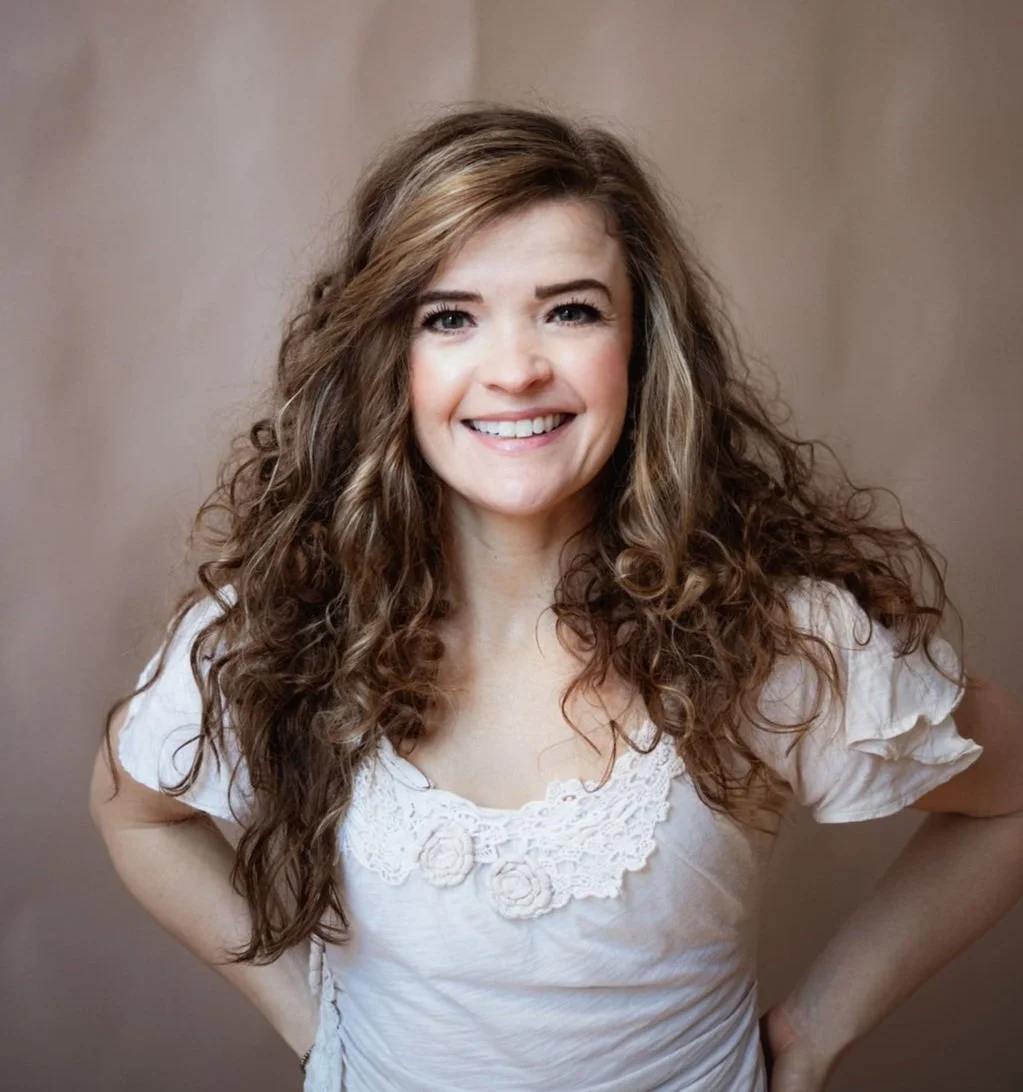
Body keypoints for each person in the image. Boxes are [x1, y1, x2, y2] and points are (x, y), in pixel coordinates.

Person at [89, 105, 1023, 1092]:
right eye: (451, 317)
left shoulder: (769, 632)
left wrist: (816, 1031)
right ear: (388, 361)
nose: (515, 368)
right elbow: (133, 809)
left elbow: (1007, 802)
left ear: (640, 347)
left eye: (570, 310)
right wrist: (315, 1021)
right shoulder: (284, 621)